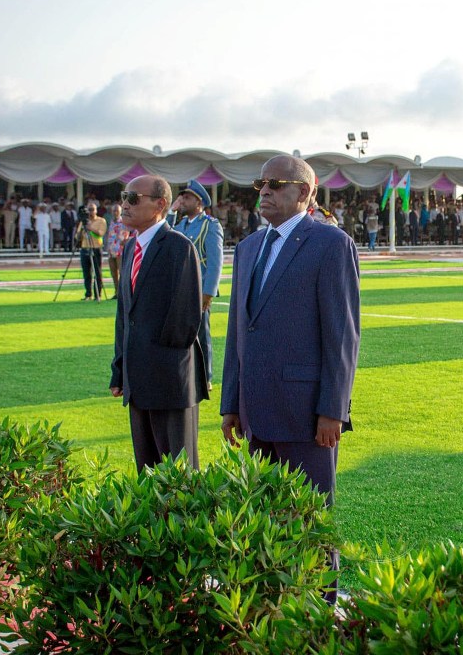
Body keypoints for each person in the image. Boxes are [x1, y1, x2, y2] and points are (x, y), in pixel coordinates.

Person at [221, 155, 360, 605]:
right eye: (260, 183)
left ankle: (320, 615)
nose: (264, 191)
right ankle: (269, 608)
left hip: (306, 417)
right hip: (255, 411)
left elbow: (342, 335)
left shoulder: (329, 243)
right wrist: (230, 403)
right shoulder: (246, 249)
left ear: (304, 192)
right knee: (261, 519)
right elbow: (237, 333)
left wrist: (332, 410)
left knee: (312, 521)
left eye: (275, 184)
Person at [110, 175, 207, 473]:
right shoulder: (130, 248)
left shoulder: (178, 247)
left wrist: (155, 363)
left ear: (160, 204)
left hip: (169, 379)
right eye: (125, 196)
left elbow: (186, 319)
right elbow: (125, 315)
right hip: (137, 380)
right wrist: (120, 369)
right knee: (147, 471)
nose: (125, 204)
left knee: (178, 473)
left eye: (134, 198)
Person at [172, 180, 225, 388]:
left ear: (199, 202)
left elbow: (215, 261)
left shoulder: (210, 225)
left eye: (187, 198)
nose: (182, 201)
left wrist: (208, 292)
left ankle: (206, 375)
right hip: (179, 289)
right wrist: (171, 211)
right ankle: (185, 372)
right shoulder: (179, 225)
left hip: (198, 288)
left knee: (201, 334)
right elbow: (163, 235)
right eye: (182, 197)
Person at [75, 202, 107, 300]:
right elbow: (77, 237)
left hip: (96, 248)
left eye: (92, 209)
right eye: (89, 209)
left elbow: (101, 233)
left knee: (97, 272)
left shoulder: (101, 221)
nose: (91, 212)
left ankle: (98, 294)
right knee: (86, 273)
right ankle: (88, 294)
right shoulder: (83, 222)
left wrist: (90, 228)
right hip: (85, 248)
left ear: (96, 210)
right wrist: (82, 230)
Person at [105, 203, 134, 298]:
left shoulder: (125, 222)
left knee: (122, 272)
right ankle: (116, 292)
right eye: (114, 211)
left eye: (117, 211)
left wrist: (128, 240)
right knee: (113, 273)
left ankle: (124, 293)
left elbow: (133, 232)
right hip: (111, 250)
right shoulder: (111, 222)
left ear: (120, 211)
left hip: (120, 251)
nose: (115, 213)